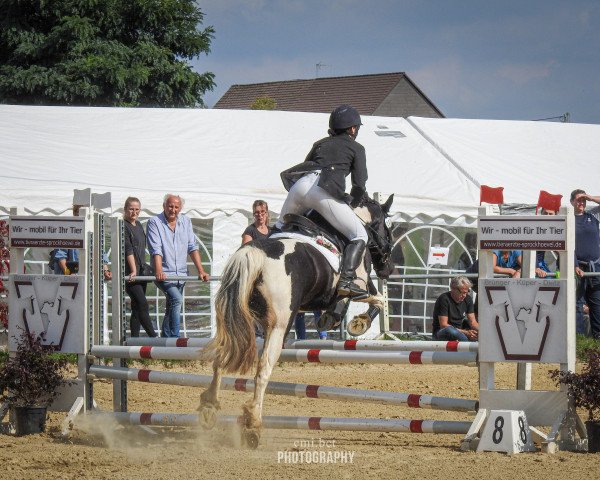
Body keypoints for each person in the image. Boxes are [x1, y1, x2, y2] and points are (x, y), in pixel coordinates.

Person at [274, 104, 369, 298]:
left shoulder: (320, 143)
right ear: (352, 128)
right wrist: (352, 204)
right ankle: (346, 280)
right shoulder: (357, 148)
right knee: (360, 235)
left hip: (300, 185)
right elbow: (359, 185)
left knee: (279, 227)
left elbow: (308, 164)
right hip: (323, 191)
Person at [147, 194, 210, 338]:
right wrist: (158, 270)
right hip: (164, 272)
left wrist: (201, 271)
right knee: (176, 300)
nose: (173, 210)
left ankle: (165, 339)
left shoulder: (186, 222)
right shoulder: (154, 222)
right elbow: (155, 249)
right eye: (170, 206)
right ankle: (175, 338)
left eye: (176, 207)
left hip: (181, 274)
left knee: (171, 305)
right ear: (164, 206)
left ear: (180, 208)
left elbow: (192, 247)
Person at [123, 197, 157, 338]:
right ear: (125, 209)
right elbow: (128, 250)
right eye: (131, 209)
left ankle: (134, 341)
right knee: (143, 304)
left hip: (141, 272)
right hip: (132, 273)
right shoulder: (123, 226)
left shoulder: (138, 225)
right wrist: (133, 270)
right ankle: (154, 337)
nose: (134, 212)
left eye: (137, 209)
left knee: (136, 308)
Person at [51, 204, 112, 281]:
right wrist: (69, 274)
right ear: (75, 214)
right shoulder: (67, 231)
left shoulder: (94, 232)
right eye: (79, 212)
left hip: (93, 280)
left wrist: (106, 271)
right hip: (73, 280)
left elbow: (101, 256)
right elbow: (61, 257)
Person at [571, 189, 600, 339]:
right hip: (578, 268)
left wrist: (589, 196)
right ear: (572, 202)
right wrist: (574, 264)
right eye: (578, 200)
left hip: (595, 268)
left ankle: (597, 340)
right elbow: (566, 246)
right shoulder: (568, 219)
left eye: (583, 200)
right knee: (578, 305)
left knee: (596, 304)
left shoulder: (593, 216)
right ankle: (579, 341)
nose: (581, 203)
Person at [432, 276, 479, 342]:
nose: (464, 295)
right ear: (453, 289)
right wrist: (466, 333)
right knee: (450, 330)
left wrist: (482, 332)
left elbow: (473, 322)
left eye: (467, 292)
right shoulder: (444, 299)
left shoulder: (468, 299)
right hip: (441, 333)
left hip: (459, 332)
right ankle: (466, 347)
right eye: (462, 292)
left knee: (478, 332)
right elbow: (444, 325)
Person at [535, 208, 559, 278]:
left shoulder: (555, 229)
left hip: (542, 265)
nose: (547, 216)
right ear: (541, 214)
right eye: (545, 213)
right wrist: (536, 268)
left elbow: (561, 251)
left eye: (550, 214)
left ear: (555, 215)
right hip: (532, 265)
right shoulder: (535, 228)